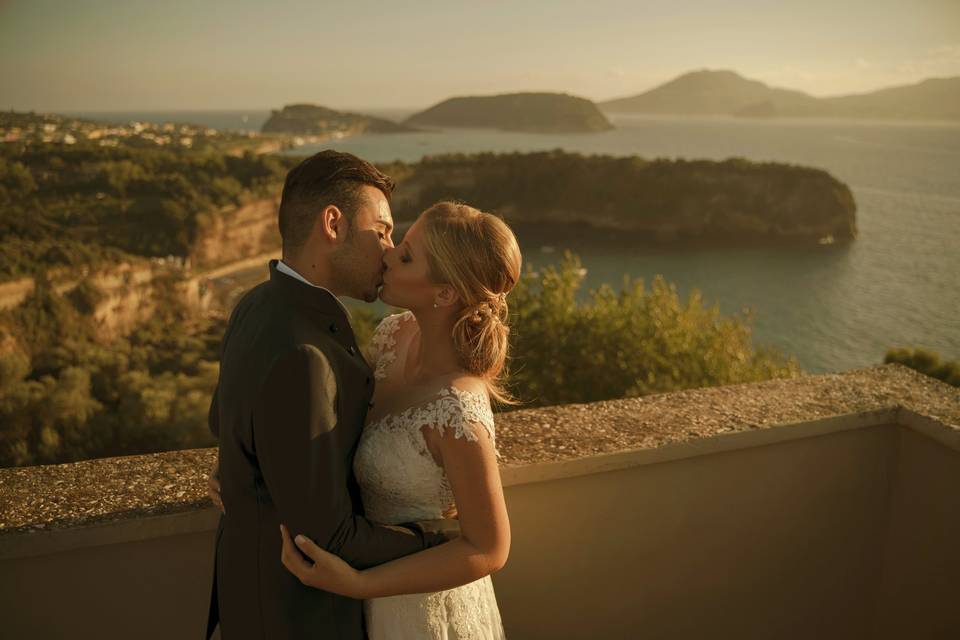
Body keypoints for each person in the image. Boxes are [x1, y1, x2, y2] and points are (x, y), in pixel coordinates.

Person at [204, 151, 459, 640]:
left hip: (252, 598)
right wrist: (444, 534)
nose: (388, 249)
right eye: (381, 230)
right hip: (298, 617)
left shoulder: (255, 304)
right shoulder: (306, 353)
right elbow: (330, 539)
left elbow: (225, 421)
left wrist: (241, 470)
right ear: (333, 224)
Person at [278, 201, 520, 639]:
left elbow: (489, 547)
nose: (387, 254)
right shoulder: (393, 335)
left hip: (423, 612)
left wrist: (359, 584)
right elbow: (329, 417)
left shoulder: (458, 408)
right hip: (360, 593)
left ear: (444, 294)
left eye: (406, 256)